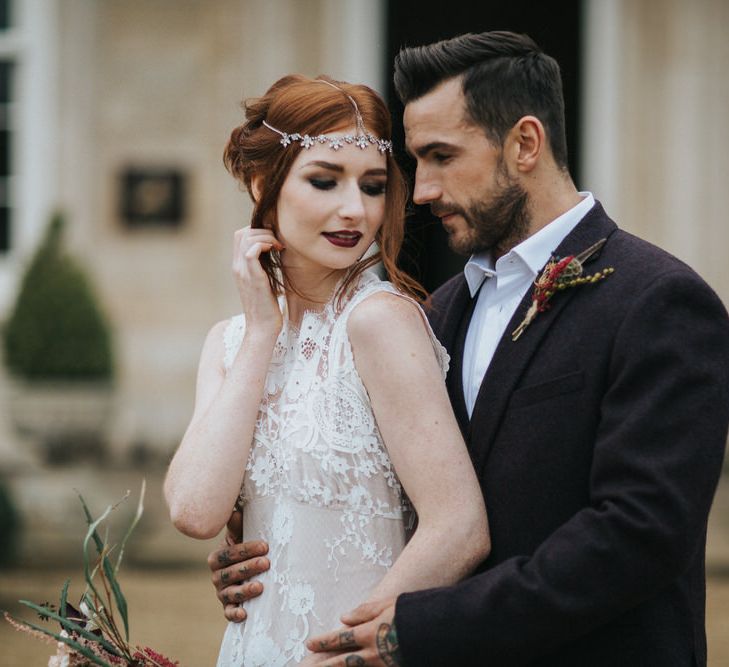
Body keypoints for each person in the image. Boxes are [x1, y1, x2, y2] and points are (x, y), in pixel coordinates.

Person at [211, 32, 729, 666]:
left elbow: (639, 538)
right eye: (414, 162)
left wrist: (420, 626)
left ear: (525, 144)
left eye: (440, 156)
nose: (421, 190)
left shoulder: (658, 301)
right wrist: (277, 554)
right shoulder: (441, 309)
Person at [163, 74, 490, 666]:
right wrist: (262, 330)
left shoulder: (380, 323)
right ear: (265, 183)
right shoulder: (229, 342)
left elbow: (459, 526)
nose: (354, 210)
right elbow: (194, 511)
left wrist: (346, 651)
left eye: (371, 186)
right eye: (324, 181)